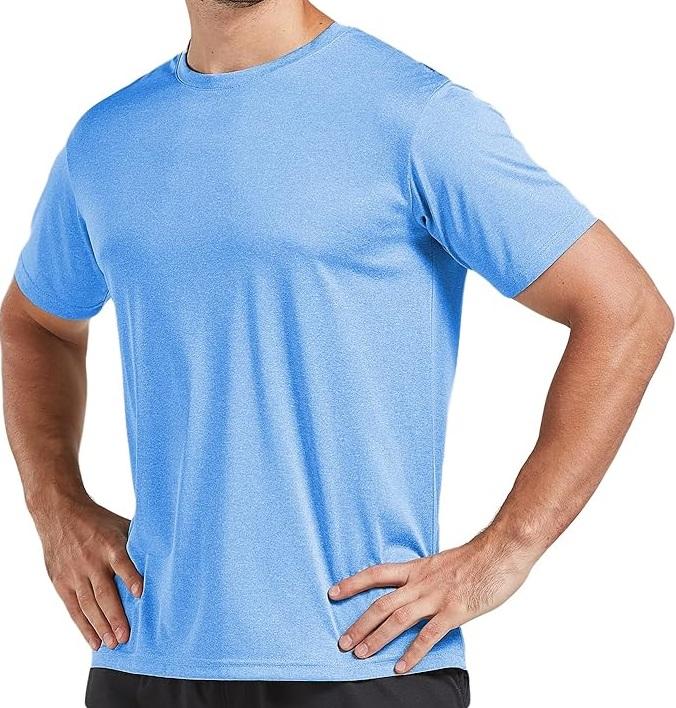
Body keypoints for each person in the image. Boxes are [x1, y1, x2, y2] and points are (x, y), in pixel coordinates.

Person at [1, 1, 672, 706]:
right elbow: (35, 324)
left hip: (362, 657)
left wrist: (508, 549)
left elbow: (625, 311)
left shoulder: (415, 118)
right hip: (145, 653)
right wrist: (54, 505)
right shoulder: (105, 142)